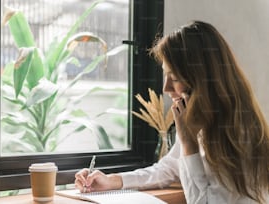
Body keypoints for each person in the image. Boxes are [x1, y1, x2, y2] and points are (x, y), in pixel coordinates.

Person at [75, 20, 269, 204]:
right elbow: (169, 168)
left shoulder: (238, 131)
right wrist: (112, 180)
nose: (166, 88)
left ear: (200, 79)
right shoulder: (198, 119)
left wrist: (188, 143)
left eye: (174, 78)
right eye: (166, 76)